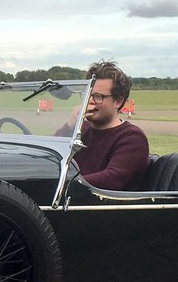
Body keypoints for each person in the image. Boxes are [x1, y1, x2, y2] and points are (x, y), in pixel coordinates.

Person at [56, 60, 150, 190]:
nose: (89, 101)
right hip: (73, 201)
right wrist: (70, 124)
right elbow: (51, 157)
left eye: (98, 96)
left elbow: (112, 179)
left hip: (106, 207)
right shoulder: (81, 129)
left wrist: (60, 182)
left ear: (118, 101)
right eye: (87, 95)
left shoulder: (132, 138)